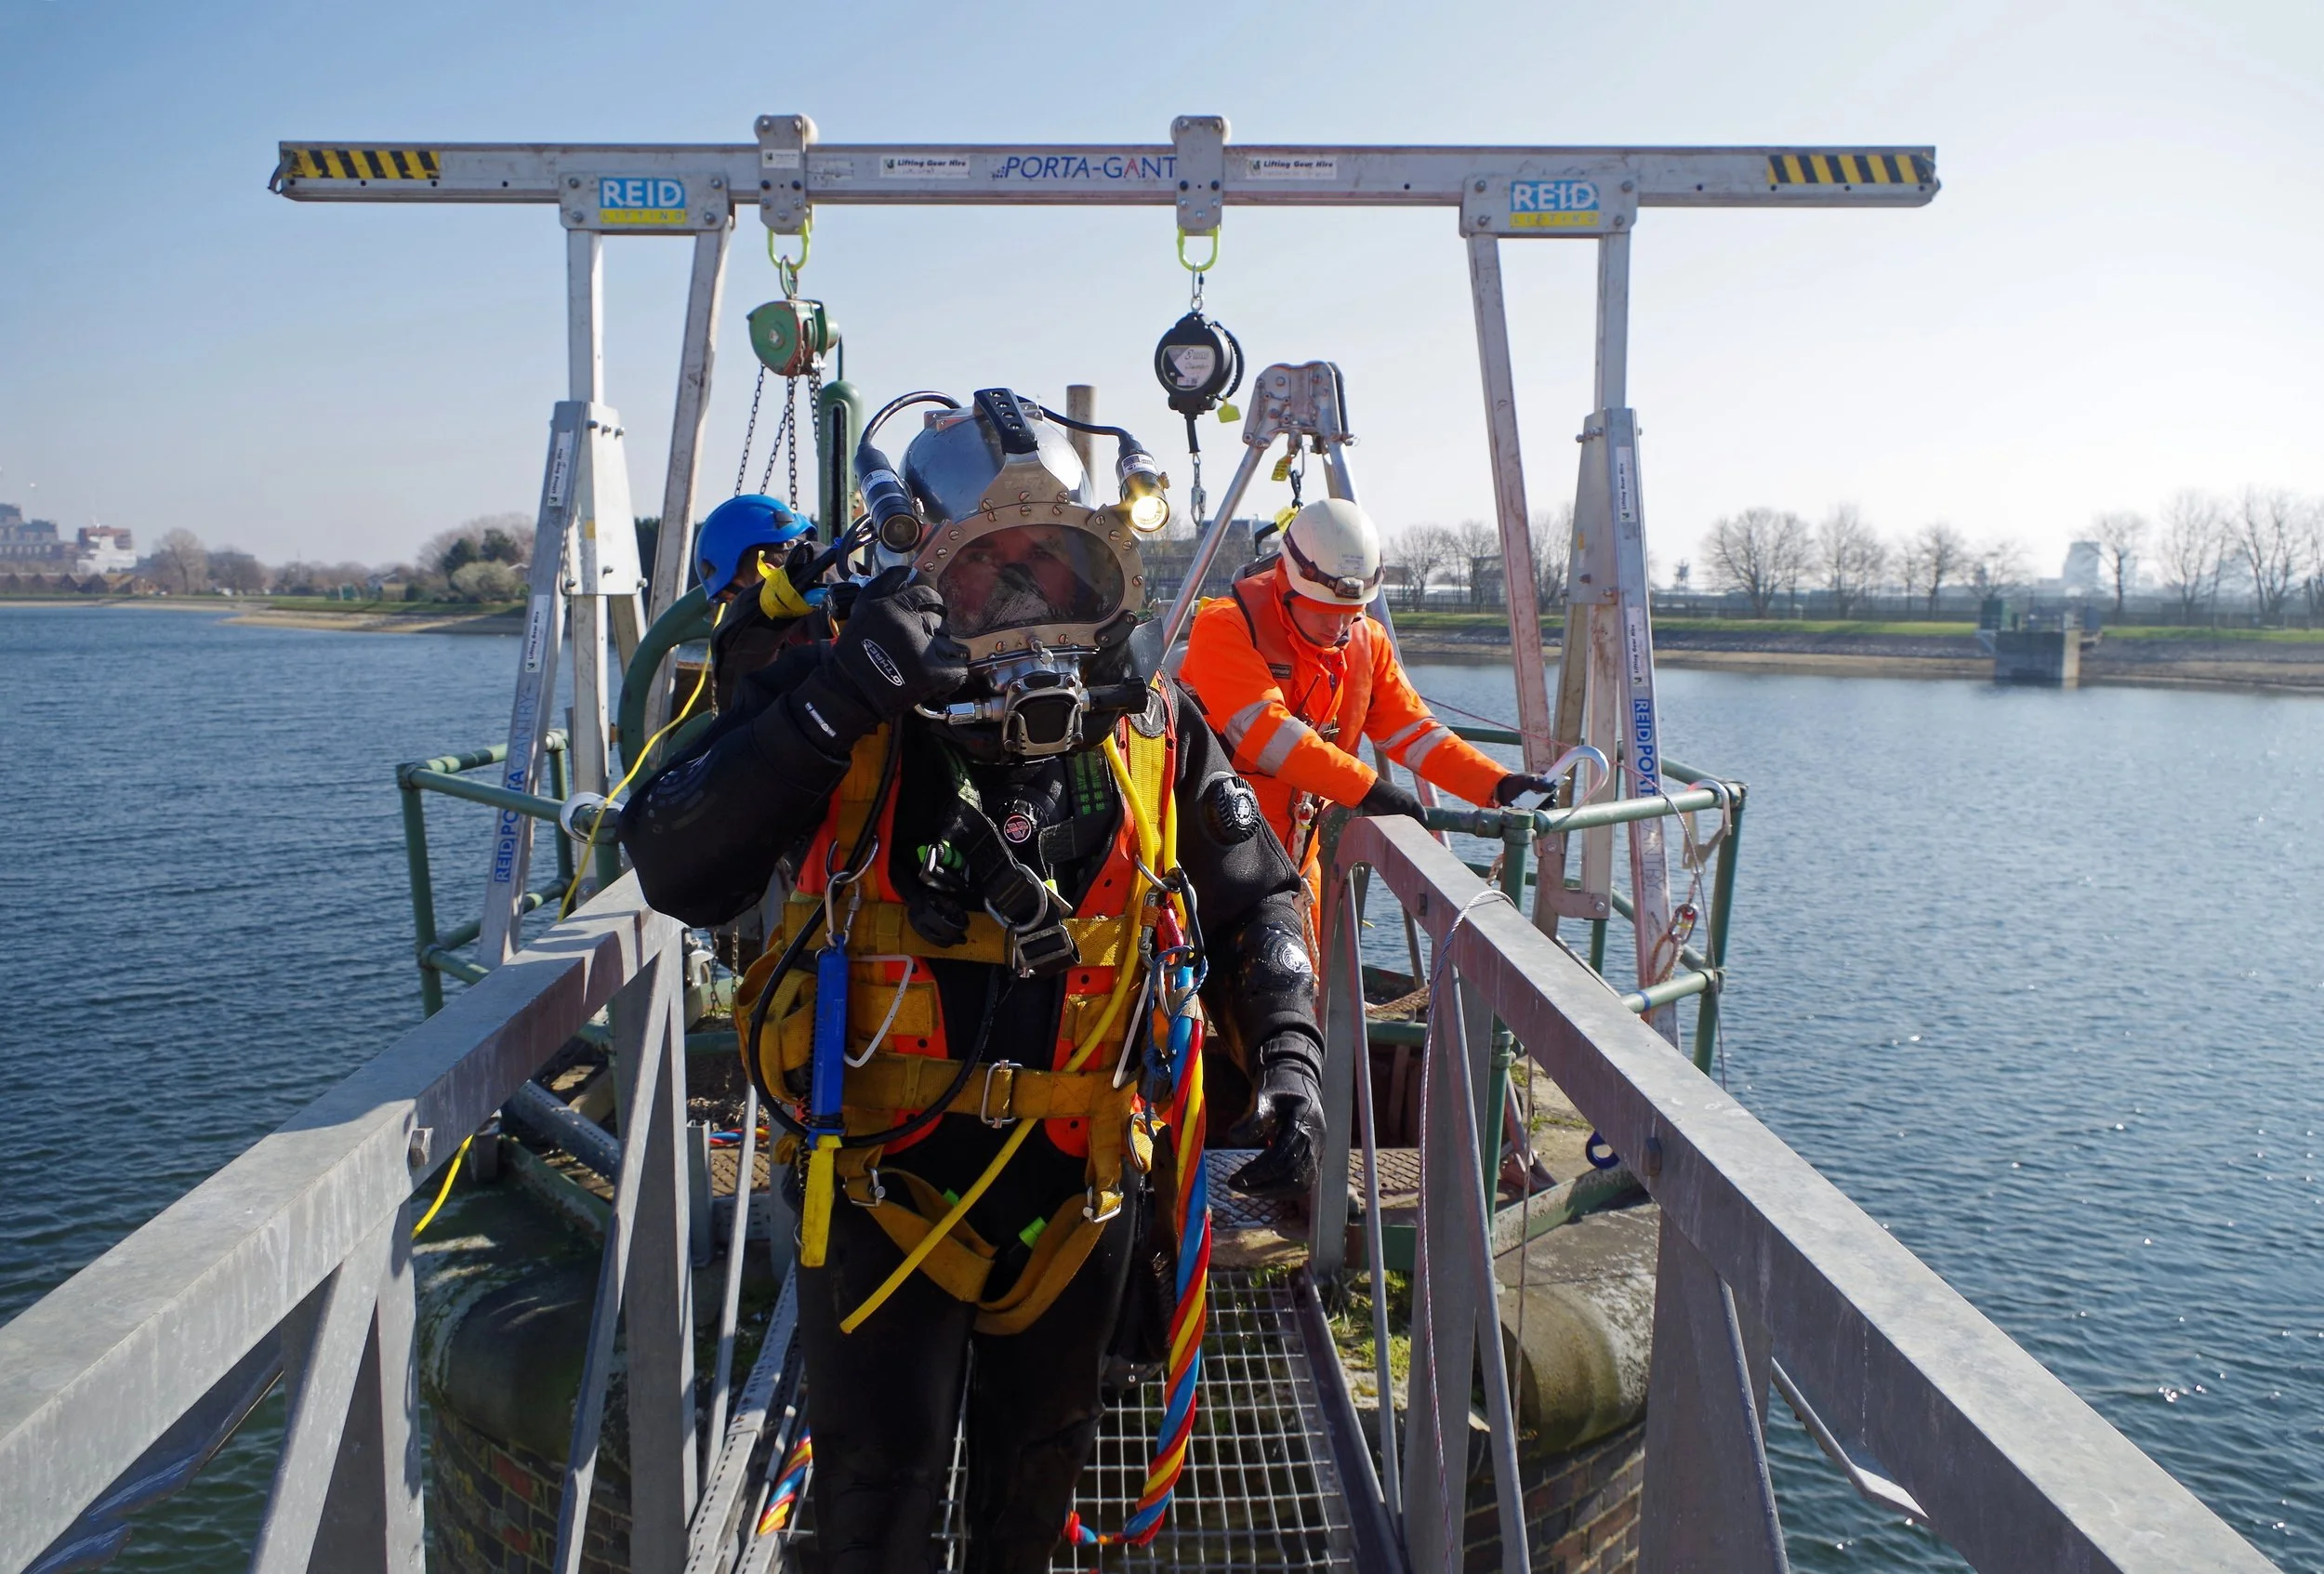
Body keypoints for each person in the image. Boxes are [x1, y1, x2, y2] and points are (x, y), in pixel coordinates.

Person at [619, 389, 1325, 1574]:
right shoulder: (853, 711)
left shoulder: (1151, 730)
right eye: (990, 576)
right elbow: (672, 857)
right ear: (920, 572)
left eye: (1057, 575)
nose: (1025, 611)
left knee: (1035, 1482)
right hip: (880, 1190)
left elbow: (1259, 894)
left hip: (1082, 1194)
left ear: (1108, 578)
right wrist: (833, 701)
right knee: (871, 1499)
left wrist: (1293, 1063)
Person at [1178, 496, 1563, 909]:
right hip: (1213, 853)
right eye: (1324, 610)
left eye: (1352, 610)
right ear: (1286, 583)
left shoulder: (1366, 642)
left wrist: (1497, 784)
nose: (1338, 625)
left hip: (1301, 854)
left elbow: (1415, 733)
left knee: (1309, 967)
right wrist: (1366, 788)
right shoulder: (1226, 626)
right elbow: (1265, 732)